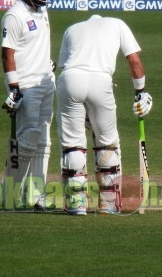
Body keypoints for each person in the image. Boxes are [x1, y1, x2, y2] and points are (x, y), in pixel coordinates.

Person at [56, 14, 153, 215]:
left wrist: (84, 111)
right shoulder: (117, 24)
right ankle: (108, 203)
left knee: (73, 143)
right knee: (107, 142)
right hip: (100, 81)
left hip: (69, 80)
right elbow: (134, 59)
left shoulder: (72, 28)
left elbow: (64, 65)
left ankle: (76, 203)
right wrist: (140, 93)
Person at [0, 0, 58, 210]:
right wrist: (14, 88)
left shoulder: (42, 11)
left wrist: (48, 64)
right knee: (26, 142)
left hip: (47, 83)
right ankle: (9, 197)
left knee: (44, 142)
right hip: (27, 87)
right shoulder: (14, 15)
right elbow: (7, 54)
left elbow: (38, 46)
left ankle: (35, 196)